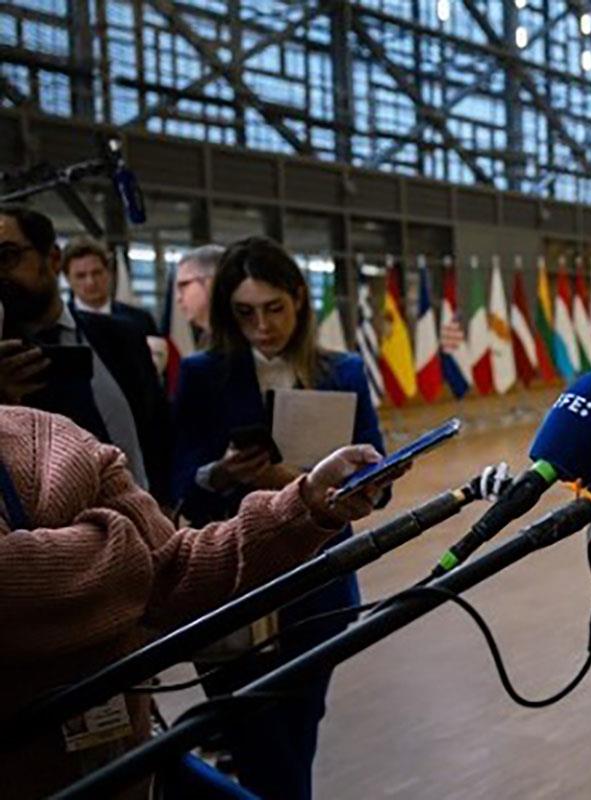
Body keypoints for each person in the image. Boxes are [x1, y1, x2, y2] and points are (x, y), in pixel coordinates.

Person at [0, 404, 387, 799]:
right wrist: (127, 551)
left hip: (129, 771)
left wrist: (306, 503)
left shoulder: (49, 434)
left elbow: (174, 568)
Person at [170, 235, 386, 800]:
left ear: (298, 300)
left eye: (274, 310)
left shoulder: (343, 371)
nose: (262, 327)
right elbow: (178, 479)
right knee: (253, 735)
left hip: (321, 584)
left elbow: (377, 475)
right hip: (236, 584)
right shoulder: (202, 375)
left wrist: (355, 483)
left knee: (299, 726)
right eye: (245, 314)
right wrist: (222, 472)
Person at [0, 205, 171, 502]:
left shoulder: (123, 336)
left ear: (52, 259)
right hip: (58, 538)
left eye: (7, 256)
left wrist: (166, 503)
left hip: (146, 520)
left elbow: (158, 427)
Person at [62, 236, 158, 338]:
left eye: (96, 273)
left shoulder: (140, 321)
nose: (90, 282)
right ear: (68, 279)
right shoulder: (59, 323)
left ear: (108, 272)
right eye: (81, 276)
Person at [174, 243, 222, 349]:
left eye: (184, 285)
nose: (178, 298)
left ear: (212, 282)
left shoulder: (249, 337)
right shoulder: (208, 339)